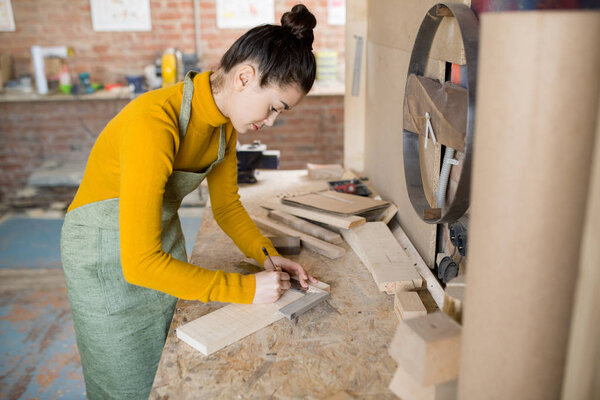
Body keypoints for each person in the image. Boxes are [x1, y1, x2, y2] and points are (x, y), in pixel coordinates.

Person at [60, 4, 318, 399]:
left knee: (164, 368)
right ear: (244, 77)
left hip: (154, 242)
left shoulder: (223, 128)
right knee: (125, 383)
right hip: (101, 254)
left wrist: (265, 255)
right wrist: (245, 290)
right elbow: (140, 264)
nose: (270, 123)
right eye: (273, 108)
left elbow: (227, 207)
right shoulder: (153, 124)